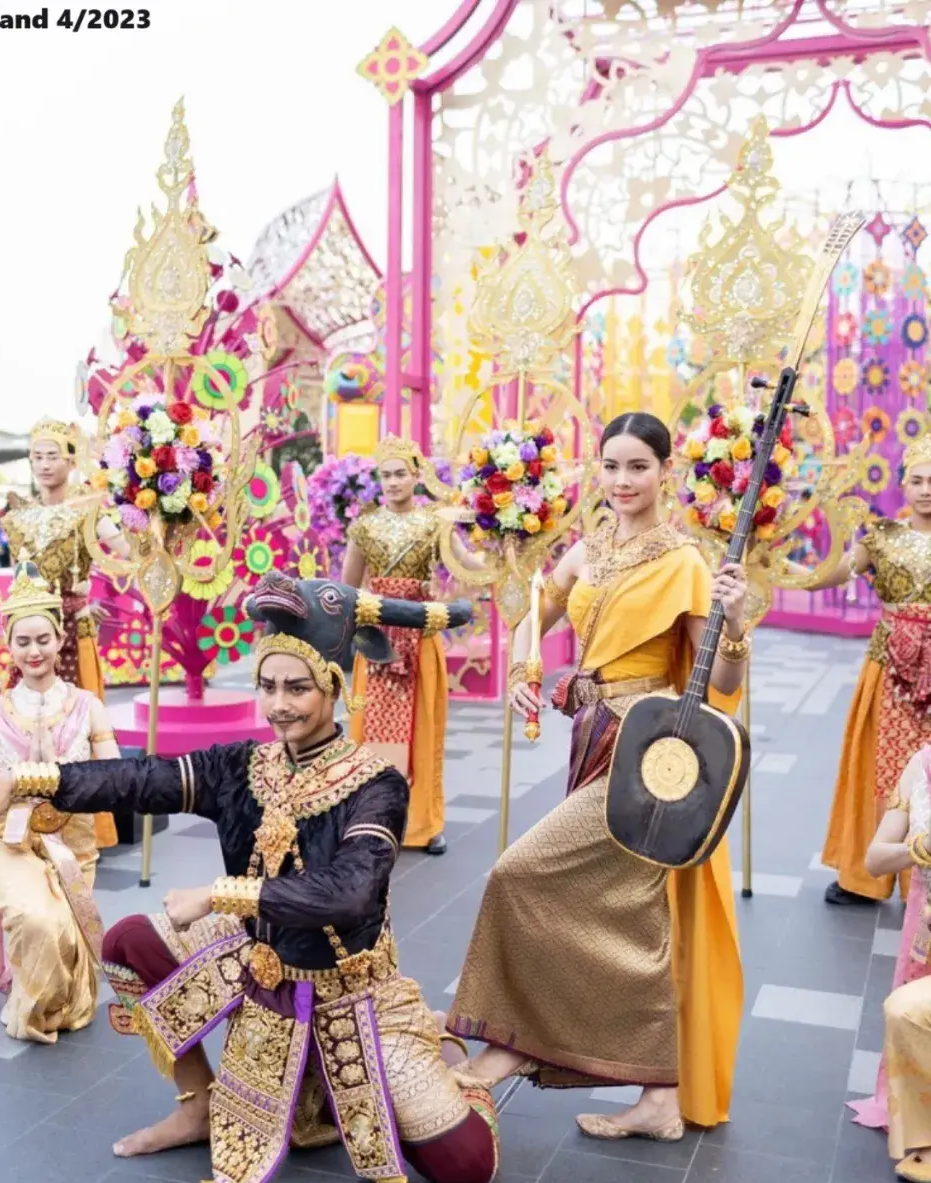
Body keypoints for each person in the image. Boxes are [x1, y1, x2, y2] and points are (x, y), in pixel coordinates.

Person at [0, 571, 500, 1183]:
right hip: (258, 966)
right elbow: (140, 779)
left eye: (298, 688)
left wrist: (220, 895)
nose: (280, 706)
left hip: (350, 991)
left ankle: (437, 1053)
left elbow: (349, 893)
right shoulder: (243, 765)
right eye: (267, 687)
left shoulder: (375, 783)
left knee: (466, 1167)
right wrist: (24, 779)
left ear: (333, 687)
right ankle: (199, 1103)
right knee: (129, 939)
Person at [446, 411, 747, 1139]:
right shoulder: (586, 551)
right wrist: (526, 667)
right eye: (610, 466)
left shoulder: (686, 564)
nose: (621, 481)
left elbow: (721, 682)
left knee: (517, 873)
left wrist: (736, 624)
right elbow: (531, 616)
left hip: (648, 755)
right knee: (632, 914)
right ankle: (660, 1098)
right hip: (590, 736)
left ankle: (508, 1045)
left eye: (638, 466)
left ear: (665, 472)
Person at [0, 561, 119, 1041]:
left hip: (71, 845)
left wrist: (56, 773)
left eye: (43, 639)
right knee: (37, 919)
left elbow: (118, 781)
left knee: (65, 930)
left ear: (61, 640)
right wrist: (9, 783)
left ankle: (55, 1003)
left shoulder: (88, 707)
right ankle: (32, 1012)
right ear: (9, 647)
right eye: (22, 641)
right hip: (7, 842)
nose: (34, 651)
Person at [343, 437, 482, 855]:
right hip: (377, 641)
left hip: (420, 638)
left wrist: (508, 547)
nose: (392, 482)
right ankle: (370, 822)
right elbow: (346, 588)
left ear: (416, 476)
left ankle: (422, 825)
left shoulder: (434, 523)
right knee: (370, 732)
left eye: (400, 473)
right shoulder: (364, 526)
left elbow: (470, 566)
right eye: (385, 475)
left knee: (424, 733)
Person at [815, 437, 931, 906]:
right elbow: (836, 572)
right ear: (903, 485)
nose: (927, 489)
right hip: (892, 670)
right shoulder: (880, 537)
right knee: (885, 767)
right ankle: (869, 875)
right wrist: (769, 567)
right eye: (918, 480)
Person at [1, 417, 126, 848]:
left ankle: (81, 817)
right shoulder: (20, 514)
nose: (44, 464)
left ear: (71, 461)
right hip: (29, 630)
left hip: (71, 630)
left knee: (76, 724)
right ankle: (26, 805)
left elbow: (129, 552)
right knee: (23, 717)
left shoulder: (88, 509)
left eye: (52, 456)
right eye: (37, 456)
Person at [851, 745, 931, 1182]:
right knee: (907, 1011)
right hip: (923, 931)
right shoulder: (922, 765)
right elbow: (875, 858)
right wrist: (920, 847)